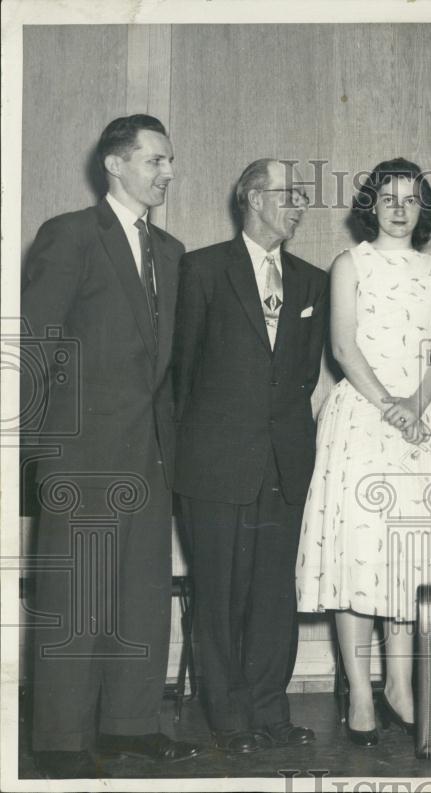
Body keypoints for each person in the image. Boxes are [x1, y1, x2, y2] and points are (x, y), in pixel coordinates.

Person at [21, 114, 200, 778]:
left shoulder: (174, 252)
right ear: (115, 165)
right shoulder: (70, 235)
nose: (167, 172)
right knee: (78, 596)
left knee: (140, 595)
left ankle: (130, 726)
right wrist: (38, 455)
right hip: (83, 452)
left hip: (150, 455)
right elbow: (34, 348)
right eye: (155, 160)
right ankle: (62, 739)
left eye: (171, 161)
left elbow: (171, 367)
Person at [296, 158, 431, 747]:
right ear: (372, 205)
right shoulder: (349, 263)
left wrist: (417, 401)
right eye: (388, 197)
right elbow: (341, 342)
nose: (399, 207)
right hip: (363, 414)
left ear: (423, 209)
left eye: (410, 198)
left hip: (424, 414)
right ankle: (361, 691)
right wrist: (388, 403)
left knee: (413, 557)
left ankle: (399, 687)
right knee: (358, 552)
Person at [173, 159, 327, 754]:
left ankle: (270, 709)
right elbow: (182, 374)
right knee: (219, 592)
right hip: (214, 464)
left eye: (301, 196)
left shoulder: (311, 281)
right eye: (289, 194)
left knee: (272, 592)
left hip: (283, 464)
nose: (299, 205)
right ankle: (229, 718)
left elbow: (301, 376)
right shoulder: (203, 269)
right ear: (254, 198)